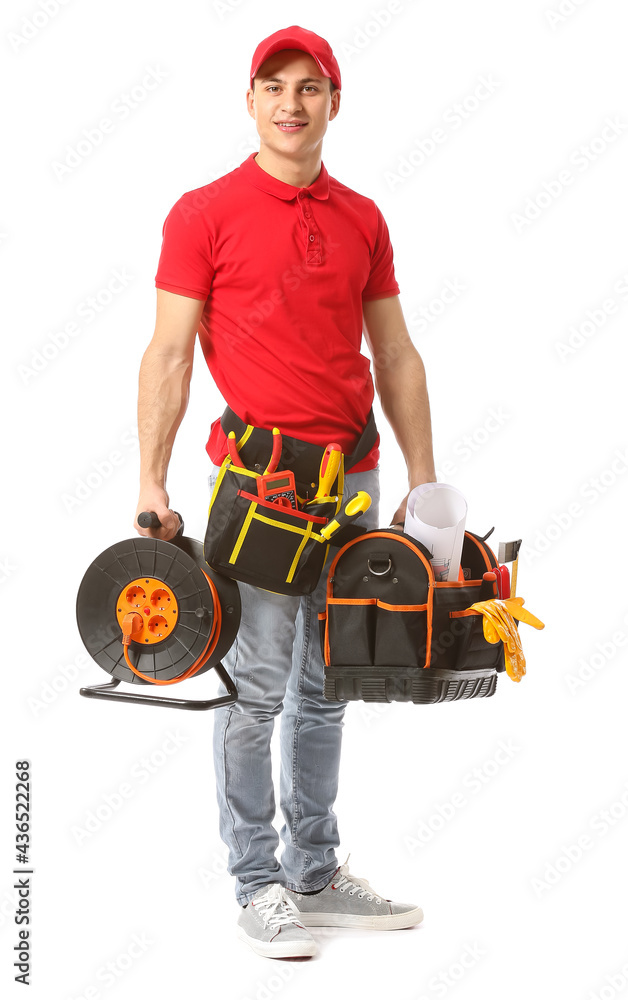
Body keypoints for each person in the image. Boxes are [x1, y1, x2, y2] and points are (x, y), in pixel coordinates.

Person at [135, 25, 436, 960]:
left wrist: (422, 483)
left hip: (353, 479)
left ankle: (315, 871)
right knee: (255, 687)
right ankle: (258, 882)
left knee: (329, 683)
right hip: (263, 489)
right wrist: (150, 475)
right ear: (251, 100)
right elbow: (169, 353)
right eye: (276, 86)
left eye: (311, 88)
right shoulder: (204, 213)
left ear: (334, 104)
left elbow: (392, 352)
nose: (292, 103)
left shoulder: (363, 217)